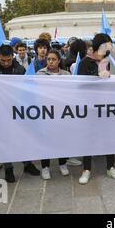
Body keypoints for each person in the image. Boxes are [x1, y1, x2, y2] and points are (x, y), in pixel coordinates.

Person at [0, 45, 41, 182]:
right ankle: (8, 168)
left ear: (12, 56)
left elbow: (27, 89)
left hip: (18, 110)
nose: (5, 63)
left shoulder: (20, 69)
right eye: (3, 60)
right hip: (0, 111)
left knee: (23, 137)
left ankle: (27, 163)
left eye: (8, 60)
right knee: (5, 139)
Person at [77, 34, 115, 184]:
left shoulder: (111, 60)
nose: (110, 47)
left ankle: (110, 167)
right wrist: (97, 76)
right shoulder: (85, 62)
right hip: (90, 107)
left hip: (108, 106)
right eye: (107, 44)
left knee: (110, 136)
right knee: (89, 138)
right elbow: (80, 85)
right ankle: (86, 169)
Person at [37, 50, 71, 180]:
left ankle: (62, 163)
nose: (50, 61)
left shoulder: (67, 74)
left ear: (59, 61)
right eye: (49, 59)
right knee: (45, 140)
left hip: (62, 112)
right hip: (46, 112)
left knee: (61, 139)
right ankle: (45, 167)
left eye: (53, 59)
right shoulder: (40, 74)